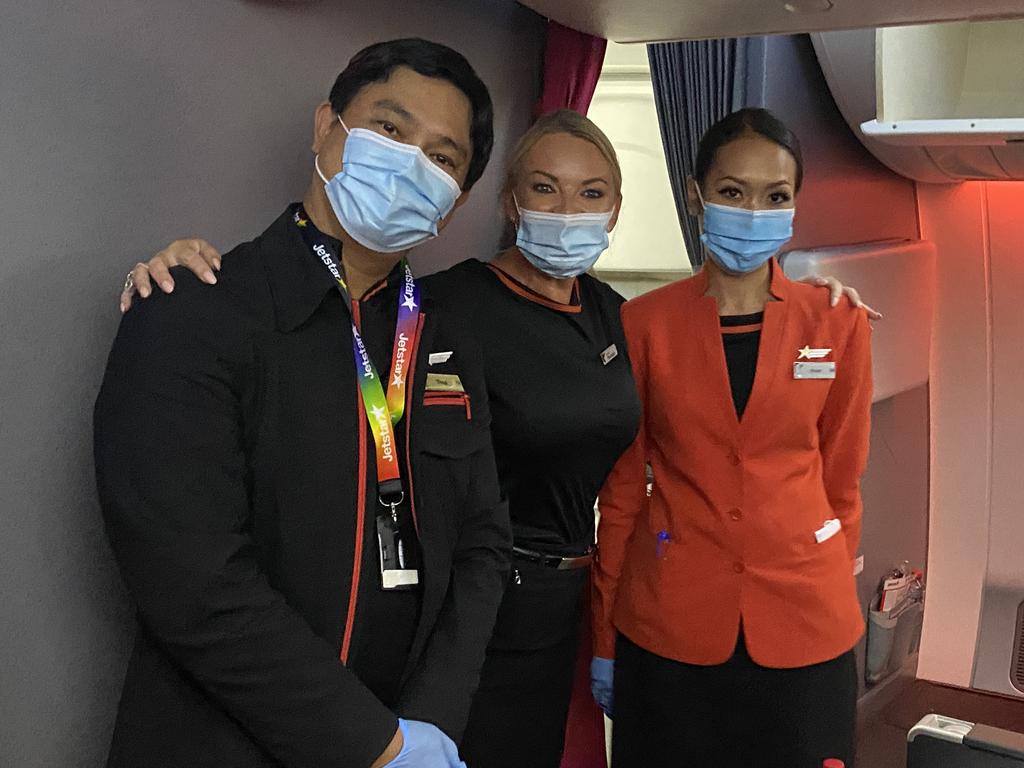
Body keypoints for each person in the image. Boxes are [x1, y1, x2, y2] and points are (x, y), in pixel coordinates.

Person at [118, 110, 874, 765]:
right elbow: (342, 316)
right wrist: (196, 266)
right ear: (511, 201)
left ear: (615, 213)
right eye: (545, 189)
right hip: (470, 602)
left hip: (572, 602)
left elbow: (826, 480)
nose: (568, 211)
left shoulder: (619, 315)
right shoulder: (451, 304)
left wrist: (820, 304)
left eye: (591, 194)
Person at [94, 38, 511, 768]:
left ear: (459, 200)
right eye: (388, 129)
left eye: (442, 159)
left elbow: (481, 542)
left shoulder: (442, 337)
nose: (411, 162)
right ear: (326, 127)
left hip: (409, 735)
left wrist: (431, 725)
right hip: (222, 741)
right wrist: (372, 745)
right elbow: (192, 578)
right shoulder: (194, 311)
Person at [590, 107, 872, 768]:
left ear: (796, 205)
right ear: (696, 195)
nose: (753, 212)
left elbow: (842, 480)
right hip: (672, 620)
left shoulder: (837, 322)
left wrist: (831, 589)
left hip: (806, 622)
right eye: (732, 192)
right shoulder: (644, 324)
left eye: (774, 197)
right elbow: (624, 494)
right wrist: (605, 633)